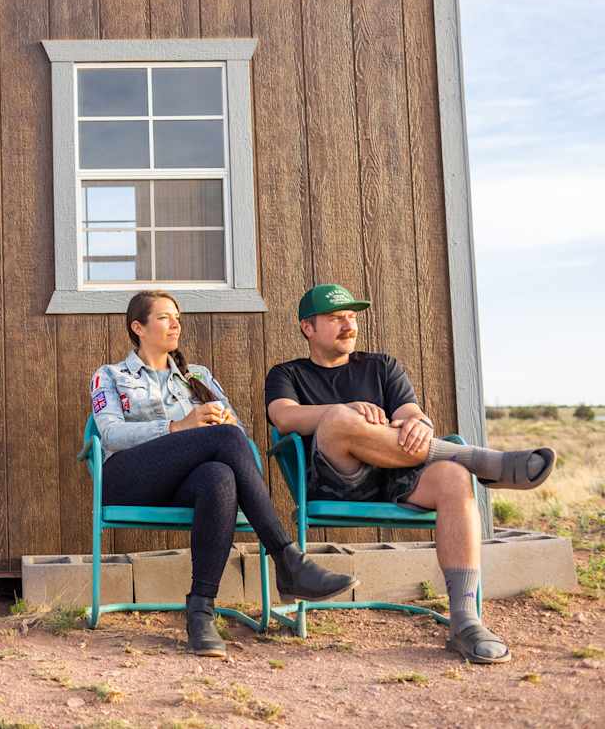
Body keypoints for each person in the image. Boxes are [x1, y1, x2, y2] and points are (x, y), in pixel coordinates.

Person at [265, 283, 556, 664]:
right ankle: (481, 460)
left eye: (352, 317)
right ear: (308, 327)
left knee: (453, 478)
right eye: (336, 318)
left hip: (396, 477)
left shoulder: (382, 366)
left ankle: (466, 620)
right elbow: (284, 417)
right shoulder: (288, 373)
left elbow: (408, 414)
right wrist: (347, 410)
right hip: (339, 481)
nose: (348, 325)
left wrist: (419, 422)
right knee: (337, 418)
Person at [92, 290, 357, 658]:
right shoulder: (110, 375)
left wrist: (223, 422)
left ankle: (201, 611)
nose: (175, 324)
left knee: (219, 475)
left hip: (184, 482)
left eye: (177, 317)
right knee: (224, 441)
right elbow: (110, 434)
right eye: (165, 317)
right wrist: (177, 427)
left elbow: (235, 431)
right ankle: (287, 559)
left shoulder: (196, 375)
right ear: (138, 327)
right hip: (129, 478)